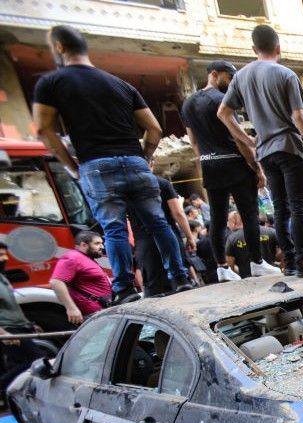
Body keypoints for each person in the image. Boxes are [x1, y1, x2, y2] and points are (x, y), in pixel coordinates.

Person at [33, 24, 191, 303]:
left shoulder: (52, 83)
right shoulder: (121, 84)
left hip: (96, 163)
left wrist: (71, 165)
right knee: (158, 223)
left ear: (59, 47)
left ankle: (125, 288)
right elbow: (154, 129)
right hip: (135, 161)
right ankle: (180, 277)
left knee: (114, 229)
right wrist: (144, 159)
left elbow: (44, 129)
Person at [218, 24, 303, 277]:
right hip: (289, 146)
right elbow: (299, 116)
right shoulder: (286, 74)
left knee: (280, 208)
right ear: (278, 47)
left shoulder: (241, 77)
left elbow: (223, 113)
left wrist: (247, 139)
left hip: (265, 151)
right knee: (298, 206)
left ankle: (289, 262)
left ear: (254, 49)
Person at [181, 59, 280, 283]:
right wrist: (256, 168)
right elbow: (237, 137)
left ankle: (222, 267)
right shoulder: (222, 99)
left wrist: (206, 160)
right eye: (229, 76)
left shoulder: (188, 104)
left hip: (209, 164)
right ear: (214, 74)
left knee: (217, 218)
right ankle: (257, 263)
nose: (232, 81)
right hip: (234, 163)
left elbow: (193, 141)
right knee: (249, 213)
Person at [134, 177, 198, 296]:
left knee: (155, 290)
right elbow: (178, 213)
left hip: (144, 243)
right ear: (151, 163)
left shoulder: (123, 186)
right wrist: (190, 237)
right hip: (170, 237)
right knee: (183, 286)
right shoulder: (162, 183)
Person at [0, 244, 45, 391]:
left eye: (5, 254)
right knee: (37, 359)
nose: (5, 258)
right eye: (1, 255)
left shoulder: (2, 277)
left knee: (16, 364)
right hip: (8, 329)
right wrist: (3, 334)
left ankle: (13, 394)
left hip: (18, 327)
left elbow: (13, 305)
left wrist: (28, 323)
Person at [50, 231, 113, 324]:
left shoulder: (86, 257)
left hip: (102, 312)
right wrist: (71, 309)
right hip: (93, 315)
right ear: (84, 245)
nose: (102, 247)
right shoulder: (73, 258)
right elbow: (56, 282)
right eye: (97, 243)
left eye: (102, 243)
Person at [225, 211, 279, 279]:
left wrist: (241, 274)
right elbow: (283, 251)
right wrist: (281, 266)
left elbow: (230, 264)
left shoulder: (232, 238)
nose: (227, 225)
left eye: (228, 221)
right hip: (271, 274)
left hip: (247, 278)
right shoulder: (271, 231)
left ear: (235, 221)